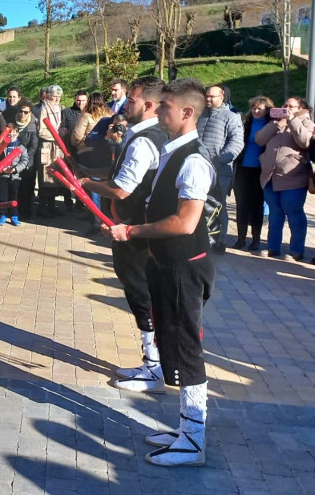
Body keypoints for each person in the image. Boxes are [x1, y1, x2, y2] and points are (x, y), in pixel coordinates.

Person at [104, 78, 216, 467]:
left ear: (187, 113)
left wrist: (132, 231)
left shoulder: (194, 160)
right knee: (173, 342)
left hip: (184, 267)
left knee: (186, 348)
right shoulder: (172, 151)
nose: (158, 111)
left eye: (165, 106)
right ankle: (186, 429)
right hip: (168, 266)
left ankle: (194, 439)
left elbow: (185, 223)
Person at [79, 77, 167, 393]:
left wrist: (87, 184)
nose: (125, 105)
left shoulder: (145, 140)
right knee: (142, 293)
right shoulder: (148, 135)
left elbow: (123, 189)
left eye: (131, 100)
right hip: (136, 229)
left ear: (149, 105)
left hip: (137, 233)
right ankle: (153, 362)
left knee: (142, 294)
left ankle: (155, 367)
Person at [255, 96, 313, 260]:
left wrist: (292, 120)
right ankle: (273, 247)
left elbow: (305, 142)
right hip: (270, 176)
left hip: (293, 177)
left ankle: (296, 251)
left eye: (291, 106)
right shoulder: (276, 122)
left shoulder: (306, 122)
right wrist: (277, 123)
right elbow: (259, 139)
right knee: (275, 213)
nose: (286, 107)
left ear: (300, 108)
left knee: (294, 212)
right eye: (284, 104)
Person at [197, 84, 244, 253]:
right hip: (198, 167)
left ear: (222, 96)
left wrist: (221, 158)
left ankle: (219, 239)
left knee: (218, 205)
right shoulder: (200, 115)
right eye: (207, 96)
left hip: (220, 170)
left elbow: (237, 142)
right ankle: (200, 237)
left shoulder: (231, 117)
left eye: (212, 96)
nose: (208, 99)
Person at [232, 96, 272, 251]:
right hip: (243, 167)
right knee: (241, 204)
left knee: (257, 205)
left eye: (259, 109)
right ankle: (240, 238)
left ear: (267, 110)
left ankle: (255, 239)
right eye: (254, 108)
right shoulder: (245, 123)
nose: (255, 111)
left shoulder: (271, 125)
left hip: (260, 169)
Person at [36, 84, 67, 216]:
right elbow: (41, 131)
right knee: (45, 176)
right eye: (54, 97)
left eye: (59, 97)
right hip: (47, 147)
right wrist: (56, 135)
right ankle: (42, 207)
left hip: (58, 147)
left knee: (56, 176)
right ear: (48, 96)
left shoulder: (60, 108)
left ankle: (52, 205)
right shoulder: (44, 108)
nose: (56, 99)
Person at [0, 124, 28, 226]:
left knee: (14, 196)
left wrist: (15, 169)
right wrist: (2, 169)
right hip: (3, 175)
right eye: (10, 133)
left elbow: (24, 160)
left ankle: (14, 215)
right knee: (3, 196)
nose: (12, 135)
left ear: (18, 134)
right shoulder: (1, 146)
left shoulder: (21, 147)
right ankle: (2, 215)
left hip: (15, 176)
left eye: (14, 133)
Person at [13, 98, 39, 220]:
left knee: (26, 189)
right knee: (14, 187)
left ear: (30, 113)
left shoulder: (33, 126)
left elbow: (33, 146)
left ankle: (25, 212)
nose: (22, 114)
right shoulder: (12, 122)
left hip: (28, 161)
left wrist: (23, 161)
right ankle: (13, 211)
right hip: (13, 160)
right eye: (20, 111)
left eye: (26, 112)